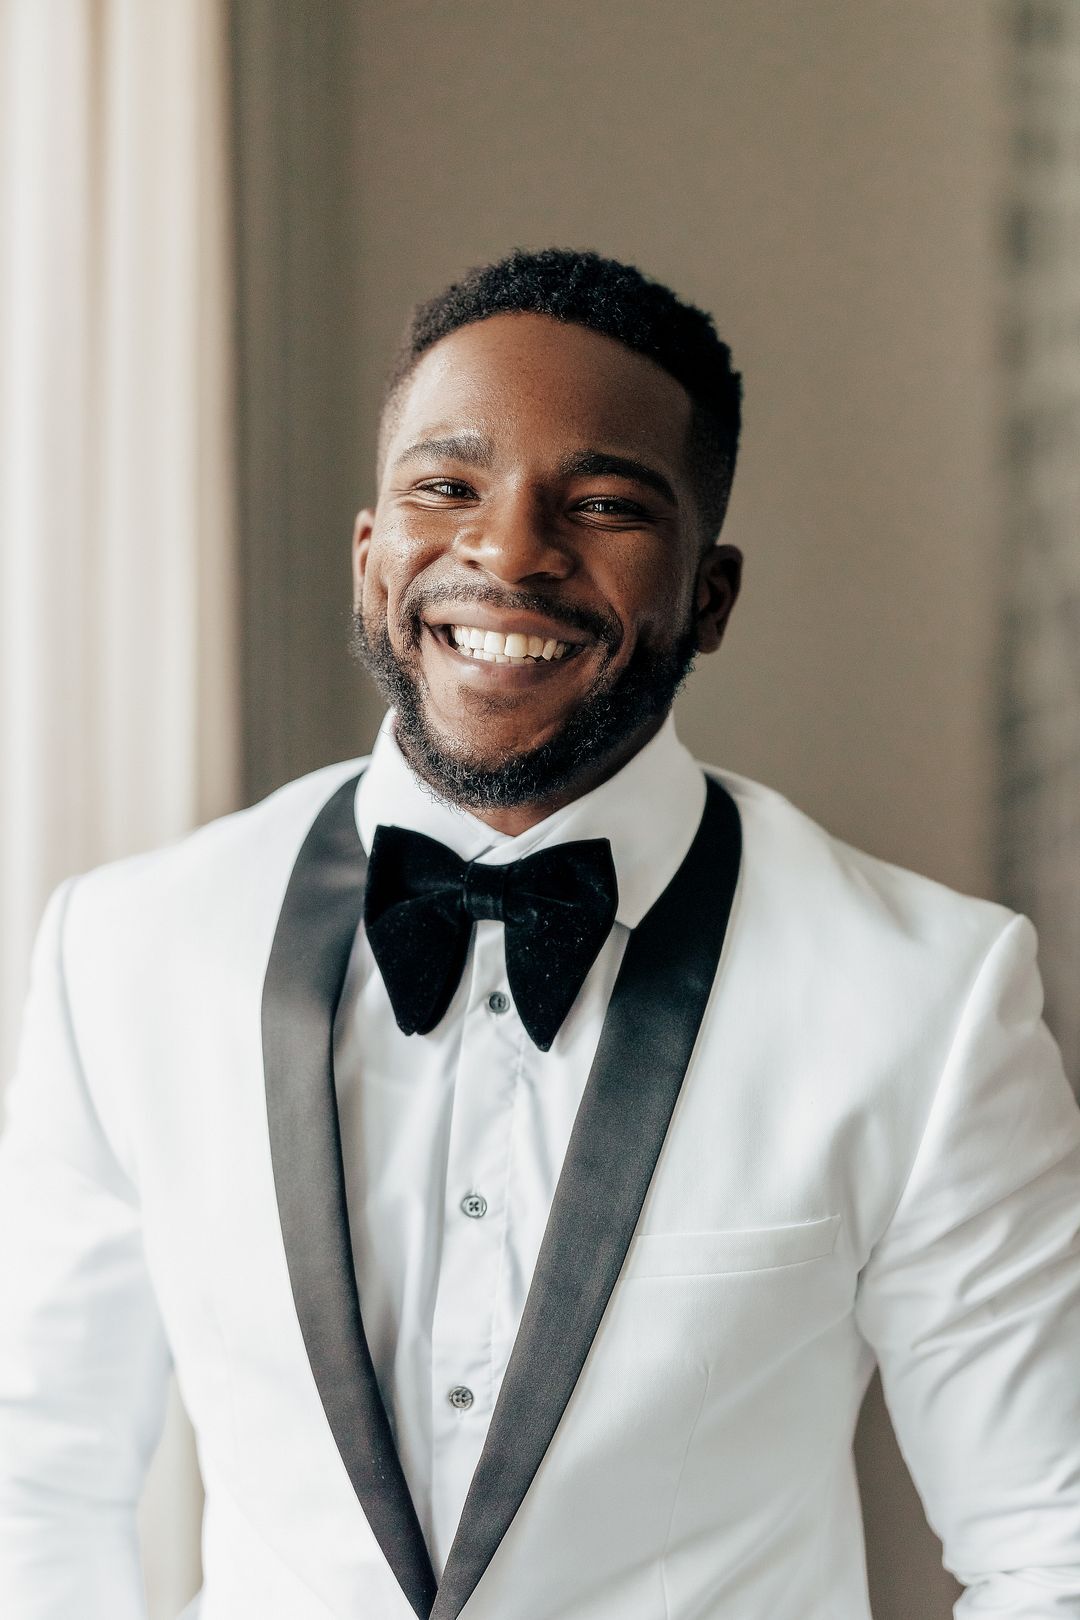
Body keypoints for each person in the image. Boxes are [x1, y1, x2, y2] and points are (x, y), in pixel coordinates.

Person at [1, 247, 1078, 1620]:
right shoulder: (125, 953)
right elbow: (34, 1480)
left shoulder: (926, 998)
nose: (506, 551)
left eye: (607, 502)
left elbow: (1052, 1542)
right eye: (445, 487)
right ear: (368, 550)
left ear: (712, 595)